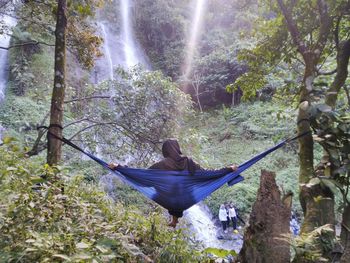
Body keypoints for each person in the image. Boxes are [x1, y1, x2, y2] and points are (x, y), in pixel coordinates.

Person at [109, 138, 237, 228]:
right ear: (177, 148)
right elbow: (208, 173)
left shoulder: (162, 164)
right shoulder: (189, 162)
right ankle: (174, 220)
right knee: (177, 187)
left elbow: (142, 175)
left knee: (167, 188)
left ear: (166, 150)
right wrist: (228, 169)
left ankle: (174, 220)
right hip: (187, 197)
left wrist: (119, 167)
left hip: (169, 198)